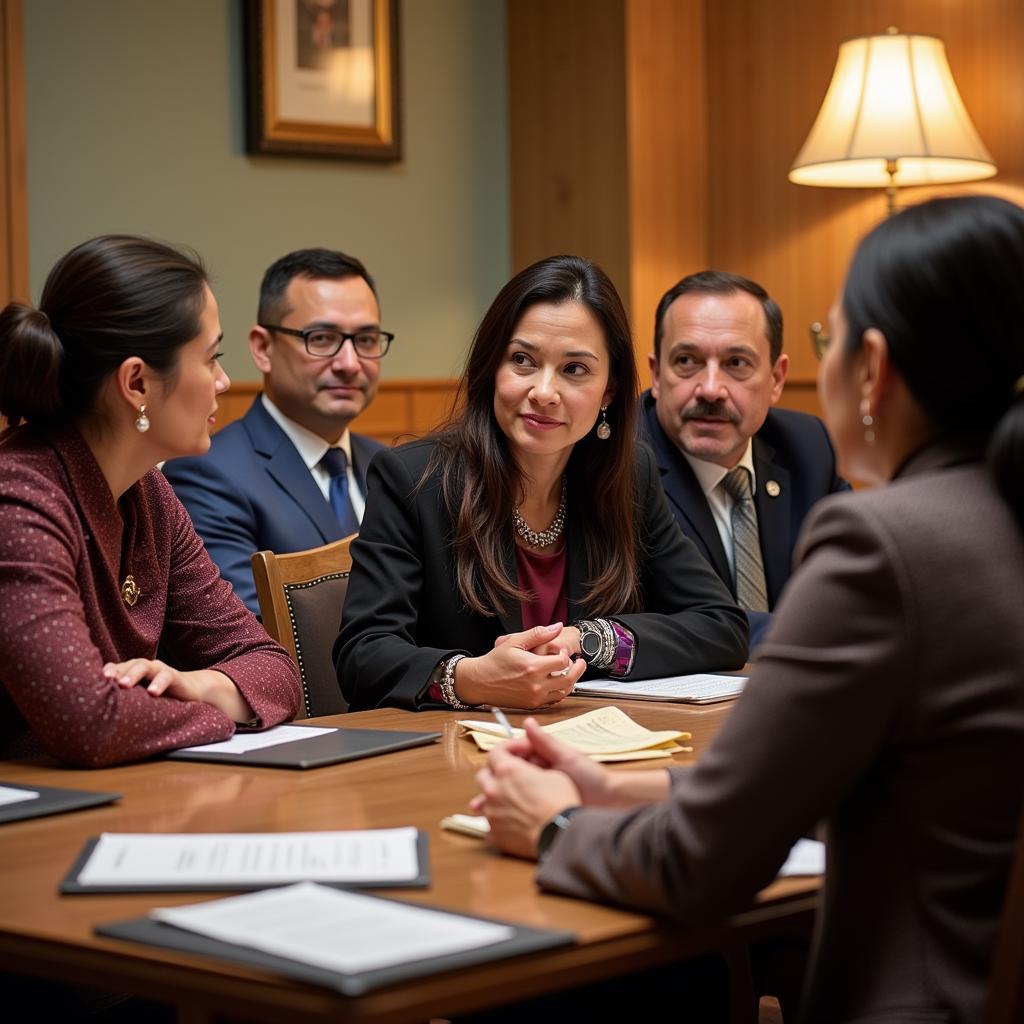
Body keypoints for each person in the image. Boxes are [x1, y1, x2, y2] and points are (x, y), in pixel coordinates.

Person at [475, 196, 1024, 1022]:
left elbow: (702, 867)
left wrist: (556, 827)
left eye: (825, 340)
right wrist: (622, 792)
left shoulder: (886, 544)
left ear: (871, 367)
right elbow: (898, 786)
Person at [336, 255, 747, 712]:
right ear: (492, 367)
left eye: (574, 369)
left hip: (594, 746)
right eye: (522, 361)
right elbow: (361, 656)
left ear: (609, 389)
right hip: (455, 757)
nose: (544, 392)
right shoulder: (414, 481)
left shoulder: (629, 477)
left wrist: (593, 640)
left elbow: (721, 625)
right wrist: (469, 678)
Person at [0, 235, 302, 767]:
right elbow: (89, 723)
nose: (225, 382)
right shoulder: (17, 500)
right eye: (211, 359)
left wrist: (196, 685)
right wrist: (222, 706)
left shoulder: (148, 491)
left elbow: (273, 669)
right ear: (136, 383)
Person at [163, 248, 388, 616]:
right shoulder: (208, 473)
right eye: (321, 338)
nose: (349, 363)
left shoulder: (391, 467)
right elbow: (254, 633)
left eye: (365, 340)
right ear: (263, 348)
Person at [641, 271, 847, 645]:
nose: (710, 389)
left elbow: (858, 591)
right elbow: (668, 618)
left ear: (777, 379)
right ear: (656, 374)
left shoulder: (808, 448)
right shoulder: (621, 465)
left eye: (737, 363)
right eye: (687, 360)